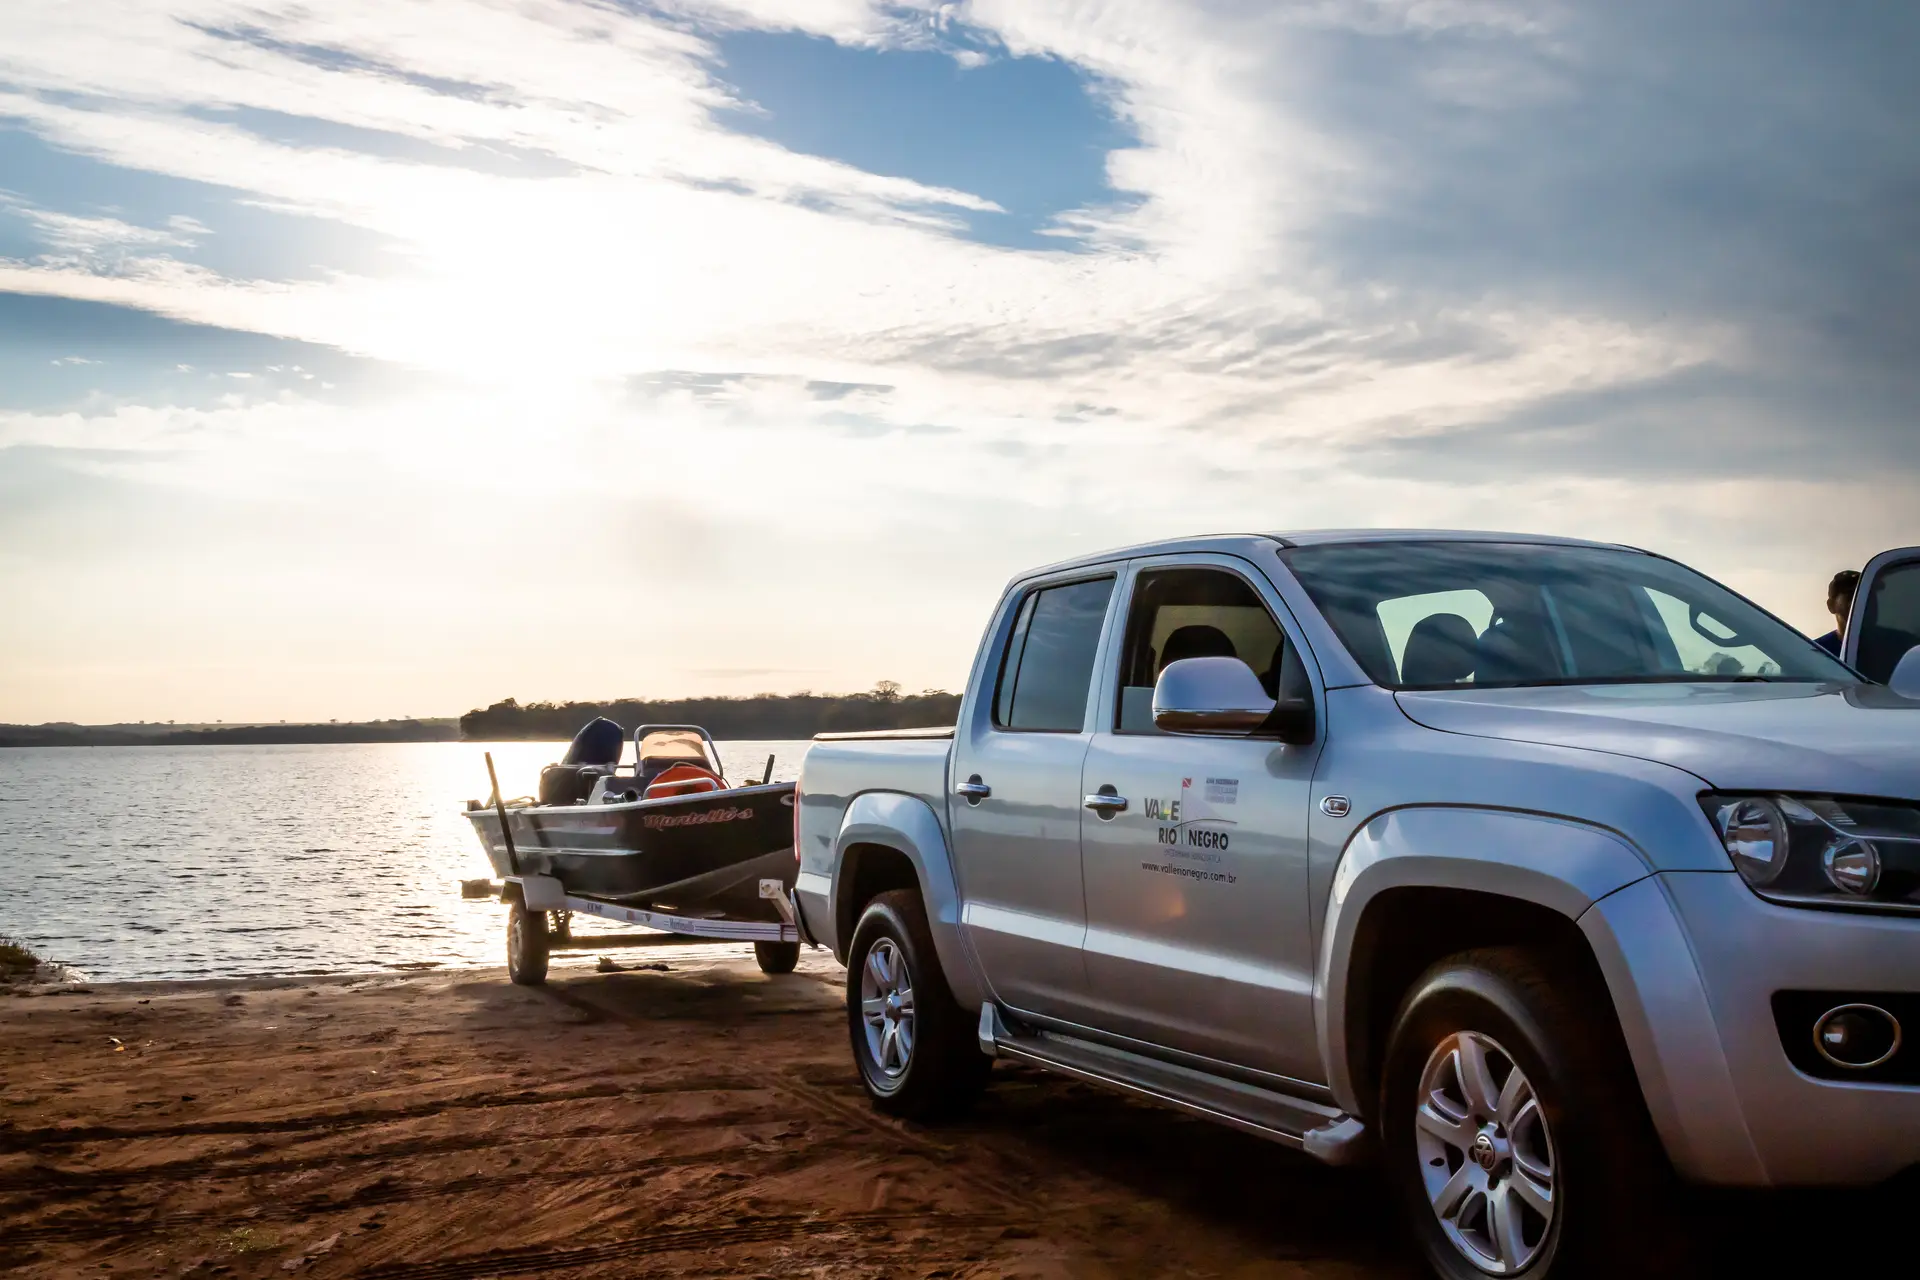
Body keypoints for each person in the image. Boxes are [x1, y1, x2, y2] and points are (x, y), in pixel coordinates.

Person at [1814, 569, 1860, 656]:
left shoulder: (1889, 645)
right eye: (1851, 596)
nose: (1859, 601)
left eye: (1863, 595)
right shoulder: (1818, 653)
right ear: (1831, 606)